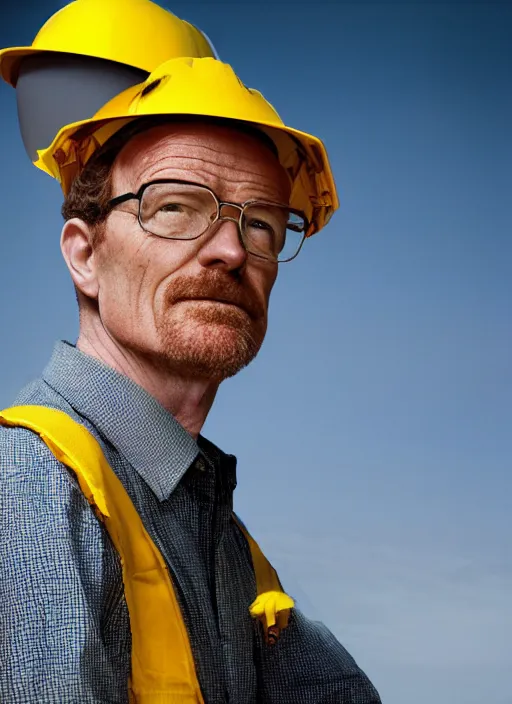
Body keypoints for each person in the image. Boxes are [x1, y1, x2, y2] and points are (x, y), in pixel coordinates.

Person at [0, 7, 382, 704]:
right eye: (175, 207)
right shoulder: (29, 489)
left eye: (261, 223)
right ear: (84, 256)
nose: (231, 250)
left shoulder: (219, 535)